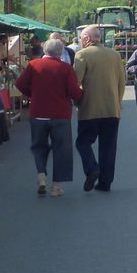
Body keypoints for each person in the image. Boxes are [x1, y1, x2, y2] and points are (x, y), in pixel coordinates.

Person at [15, 38, 83, 197]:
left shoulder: (33, 64)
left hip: (38, 113)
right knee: (61, 149)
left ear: (45, 50)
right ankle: (57, 186)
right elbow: (74, 92)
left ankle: (41, 176)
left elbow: (20, 84)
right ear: (60, 52)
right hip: (60, 115)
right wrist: (82, 93)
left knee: (38, 146)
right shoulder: (66, 68)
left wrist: (34, 94)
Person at [73, 26, 126, 192]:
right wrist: (118, 103)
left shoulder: (82, 55)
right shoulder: (115, 55)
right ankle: (105, 183)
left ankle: (91, 168)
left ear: (87, 38)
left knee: (83, 142)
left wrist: (77, 102)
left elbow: (76, 83)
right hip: (112, 110)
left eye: (81, 38)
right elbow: (121, 83)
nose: (80, 41)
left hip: (90, 109)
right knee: (108, 147)